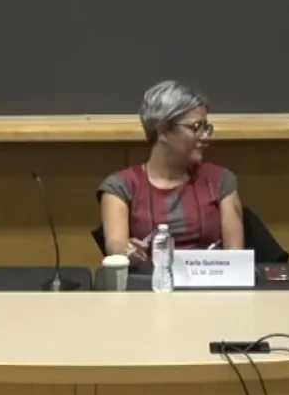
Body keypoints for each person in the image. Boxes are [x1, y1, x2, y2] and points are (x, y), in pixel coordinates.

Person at [98, 80, 244, 261]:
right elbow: (115, 245)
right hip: (150, 277)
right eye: (196, 127)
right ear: (163, 132)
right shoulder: (121, 186)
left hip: (211, 276)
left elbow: (235, 256)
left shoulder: (220, 180)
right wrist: (127, 251)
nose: (206, 137)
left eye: (206, 127)